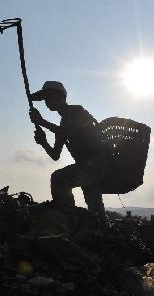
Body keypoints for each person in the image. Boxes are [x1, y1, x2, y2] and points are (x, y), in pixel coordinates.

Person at [29, 81, 111, 227]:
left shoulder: (77, 111)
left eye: (48, 96)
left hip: (96, 164)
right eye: (44, 98)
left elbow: (69, 132)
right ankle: (103, 231)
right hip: (86, 167)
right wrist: (43, 142)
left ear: (59, 96)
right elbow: (55, 155)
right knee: (95, 207)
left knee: (58, 178)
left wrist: (41, 122)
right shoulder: (62, 123)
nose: (46, 102)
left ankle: (69, 220)